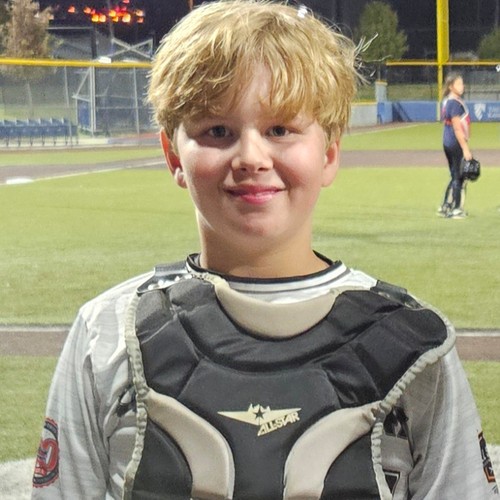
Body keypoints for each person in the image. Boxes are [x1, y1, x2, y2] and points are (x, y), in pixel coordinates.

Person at [32, 1, 498, 499]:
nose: (251, 157)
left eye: (280, 130)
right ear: (173, 155)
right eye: (217, 131)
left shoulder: (413, 346)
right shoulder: (108, 333)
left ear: (329, 153)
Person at [438, 73, 472, 219]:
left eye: (462, 83)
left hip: (448, 141)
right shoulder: (453, 103)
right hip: (455, 142)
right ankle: (456, 209)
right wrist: (465, 148)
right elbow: (457, 128)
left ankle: (446, 206)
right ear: (451, 87)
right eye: (458, 84)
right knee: (459, 176)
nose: (462, 86)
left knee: (455, 175)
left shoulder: (448, 101)